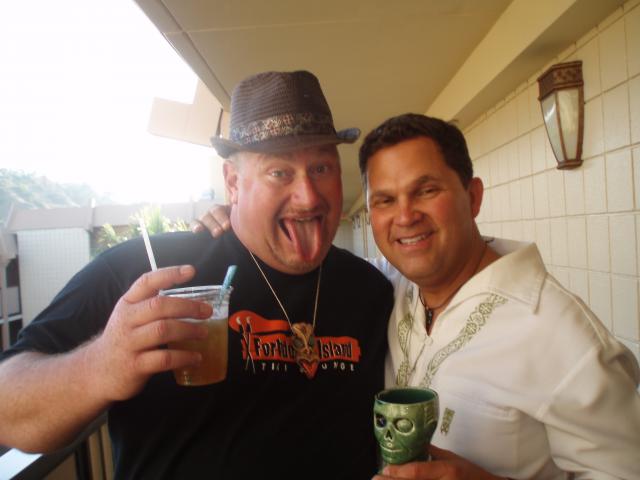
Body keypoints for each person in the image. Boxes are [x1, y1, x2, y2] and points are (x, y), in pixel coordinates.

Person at [197, 114, 640, 479]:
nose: (405, 216)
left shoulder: (561, 334)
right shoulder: (390, 291)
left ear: (473, 196)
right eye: (385, 200)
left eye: (426, 191)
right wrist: (239, 214)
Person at [0, 70, 394, 479]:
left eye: (322, 168)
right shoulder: (145, 271)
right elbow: (6, 407)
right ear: (233, 183)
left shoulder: (370, 291)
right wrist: (100, 366)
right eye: (280, 172)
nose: (308, 196)